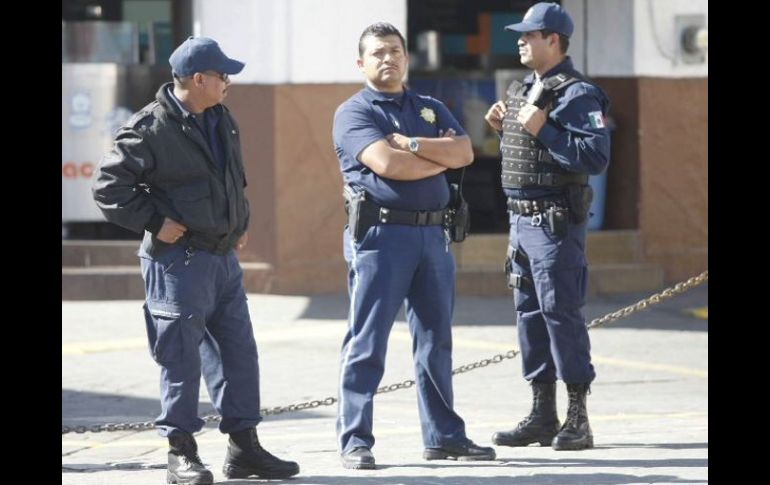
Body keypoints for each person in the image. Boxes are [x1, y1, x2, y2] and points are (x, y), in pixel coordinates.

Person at [92, 36, 300, 483]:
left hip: (222, 259)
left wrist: (238, 224)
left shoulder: (221, 117)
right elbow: (108, 186)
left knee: (238, 353)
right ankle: (180, 453)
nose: (229, 83)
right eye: (223, 75)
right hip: (178, 263)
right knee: (181, 360)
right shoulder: (150, 128)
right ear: (199, 79)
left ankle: (244, 449)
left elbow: (233, 180)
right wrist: (154, 222)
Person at [332, 22, 496, 470]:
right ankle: (355, 440)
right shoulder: (354, 112)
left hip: (433, 236)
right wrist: (436, 158)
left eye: (395, 51)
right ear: (361, 63)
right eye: (378, 53)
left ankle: (444, 437)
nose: (388, 58)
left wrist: (415, 146)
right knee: (367, 343)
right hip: (381, 238)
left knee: (435, 342)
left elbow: (464, 153)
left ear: (406, 57)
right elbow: (388, 164)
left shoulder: (429, 107)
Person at [483, 2, 611, 451]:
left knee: (561, 314)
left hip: (554, 223)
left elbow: (594, 157)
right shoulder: (523, 88)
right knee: (529, 316)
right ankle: (542, 414)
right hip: (520, 222)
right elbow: (532, 157)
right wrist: (505, 129)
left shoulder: (578, 94)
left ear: (553, 40)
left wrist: (545, 130)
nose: (520, 41)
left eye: (529, 34)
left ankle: (578, 418)